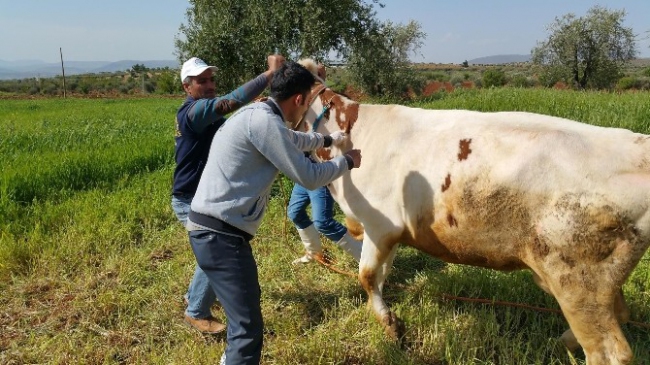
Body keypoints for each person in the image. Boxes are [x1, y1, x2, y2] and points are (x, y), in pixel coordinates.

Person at [186, 61, 362, 365]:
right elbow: (308, 175)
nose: (305, 110)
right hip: (220, 236)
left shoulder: (259, 115)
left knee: (245, 324)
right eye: (307, 103)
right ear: (299, 100)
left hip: (214, 231)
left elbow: (293, 139)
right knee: (247, 330)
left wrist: (328, 140)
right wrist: (347, 161)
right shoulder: (265, 123)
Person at [171, 54, 285, 334]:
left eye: (211, 80)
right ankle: (196, 310)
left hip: (204, 196)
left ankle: (193, 297)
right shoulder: (192, 112)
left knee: (212, 250)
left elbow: (230, 121)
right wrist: (269, 75)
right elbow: (229, 102)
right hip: (190, 199)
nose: (209, 85)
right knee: (218, 249)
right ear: (187, 87)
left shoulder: (206, 114)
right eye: (201, 81)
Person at [288, 61, 362, 264]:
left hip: (318, 169)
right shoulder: (298, 101)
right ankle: (314, 253)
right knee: (295, 212)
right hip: (304, 169)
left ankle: (366, 256)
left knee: (323, 221)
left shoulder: (323, 102)